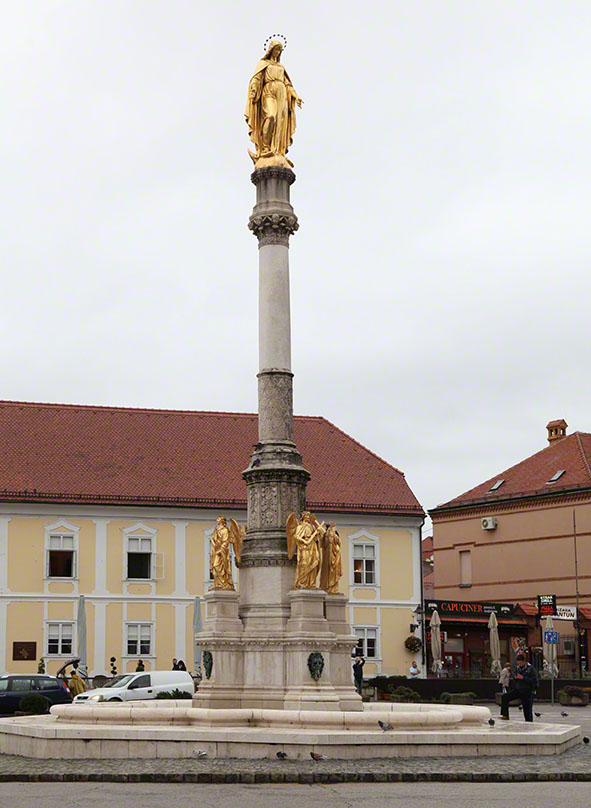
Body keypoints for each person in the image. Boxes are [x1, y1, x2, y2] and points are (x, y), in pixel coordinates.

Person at [500, 653, 539, 721]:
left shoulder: (530, 669)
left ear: (524, 661)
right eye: (518, 663)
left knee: (527, 709)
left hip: (527, 691)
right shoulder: (517, 668)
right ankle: (505, 715)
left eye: (520, 663)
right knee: (505, 697)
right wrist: (515, 677)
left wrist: (523, 678)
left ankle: (529, 722)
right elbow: (514, 676)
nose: (519, 664)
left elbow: (534, 680)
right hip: (519, 689)